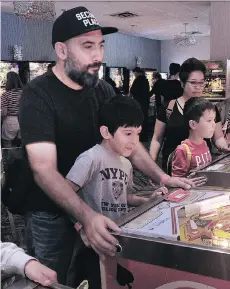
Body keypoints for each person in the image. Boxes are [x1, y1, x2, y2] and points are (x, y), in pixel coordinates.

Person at [19, 6, 197, 286]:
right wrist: (85, 217)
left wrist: (161, 177)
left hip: (94, 202)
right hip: (50, 212)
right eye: (88, 46)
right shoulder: (37, 95)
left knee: (94, 276)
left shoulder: (101, 90)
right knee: (52, 279)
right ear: (62, 50)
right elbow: (43, 169)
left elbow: (128, 141)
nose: (98, 56)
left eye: (100, 45)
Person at [66, 96, 168, 287]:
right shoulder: (90, 159)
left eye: (138, 134)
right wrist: (82, 226)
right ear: (106, 132)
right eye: (128, 133)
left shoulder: (126, 163)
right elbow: (67, 193)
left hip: (118, 234)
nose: (134, 141)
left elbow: (124, 197)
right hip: (94, 240)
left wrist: (146, 200)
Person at [150, 58, 230, 172]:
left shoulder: (210, 109)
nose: (198, 87)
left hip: (201, 166)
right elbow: (157, 138)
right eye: (193, 82)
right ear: (182, 83)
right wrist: (152, 165)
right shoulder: (169, 107)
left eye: (201, 82)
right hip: (174, 169)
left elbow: (218, 137)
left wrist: (224, 147)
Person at [172, 98, 216, 177]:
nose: (214, 124)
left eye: (214, 120)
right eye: (209, 120)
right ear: (193, 124)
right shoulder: (182, 150)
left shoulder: (205, 144)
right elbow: (177, 180)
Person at [1, 71, 23, 148]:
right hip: (24, 120)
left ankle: (9, 159)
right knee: (21, 145)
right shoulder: (26, 93)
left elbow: (4, 112)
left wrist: (2, 119)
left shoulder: (6, 95)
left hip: (10, 120)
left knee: (8, 146)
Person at [130, 67, 150, 142]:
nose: (134, 75)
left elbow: (132, 92)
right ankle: (144, 137)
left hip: (138, 103)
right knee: (145, 120)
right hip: (145, 103)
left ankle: (139, 137)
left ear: (137, 72)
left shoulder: (137, 80)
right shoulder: (146, 80)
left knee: (138, 120)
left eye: (134, 73)